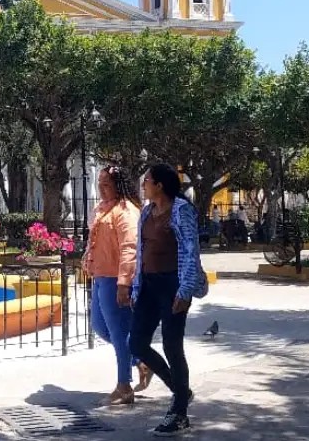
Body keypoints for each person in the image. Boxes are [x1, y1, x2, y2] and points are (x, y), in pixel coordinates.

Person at [131, 165, 208, 437]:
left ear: (160, 185)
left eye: (147, 181)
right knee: (137, 343)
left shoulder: (181, 210)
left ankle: (179, 413)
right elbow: (142, 251)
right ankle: (180, 391)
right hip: (149, 286)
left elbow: (190, 250)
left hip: (173, 285)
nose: (144, 185)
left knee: (172, 345)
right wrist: (135, 286)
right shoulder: (146, 212)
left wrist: (185, 290)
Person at [84, 165, 145, 405]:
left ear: (118, 185)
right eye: (100, 183)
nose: (101, 188)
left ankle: (124, 386)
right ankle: (140, 359)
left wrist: (124, 283)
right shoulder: (102, 209)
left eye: (106, 184)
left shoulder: (126, 212)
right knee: (99, 327)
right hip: (100, 277)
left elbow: (130, 249)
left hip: (114, 279)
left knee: (119, 333)